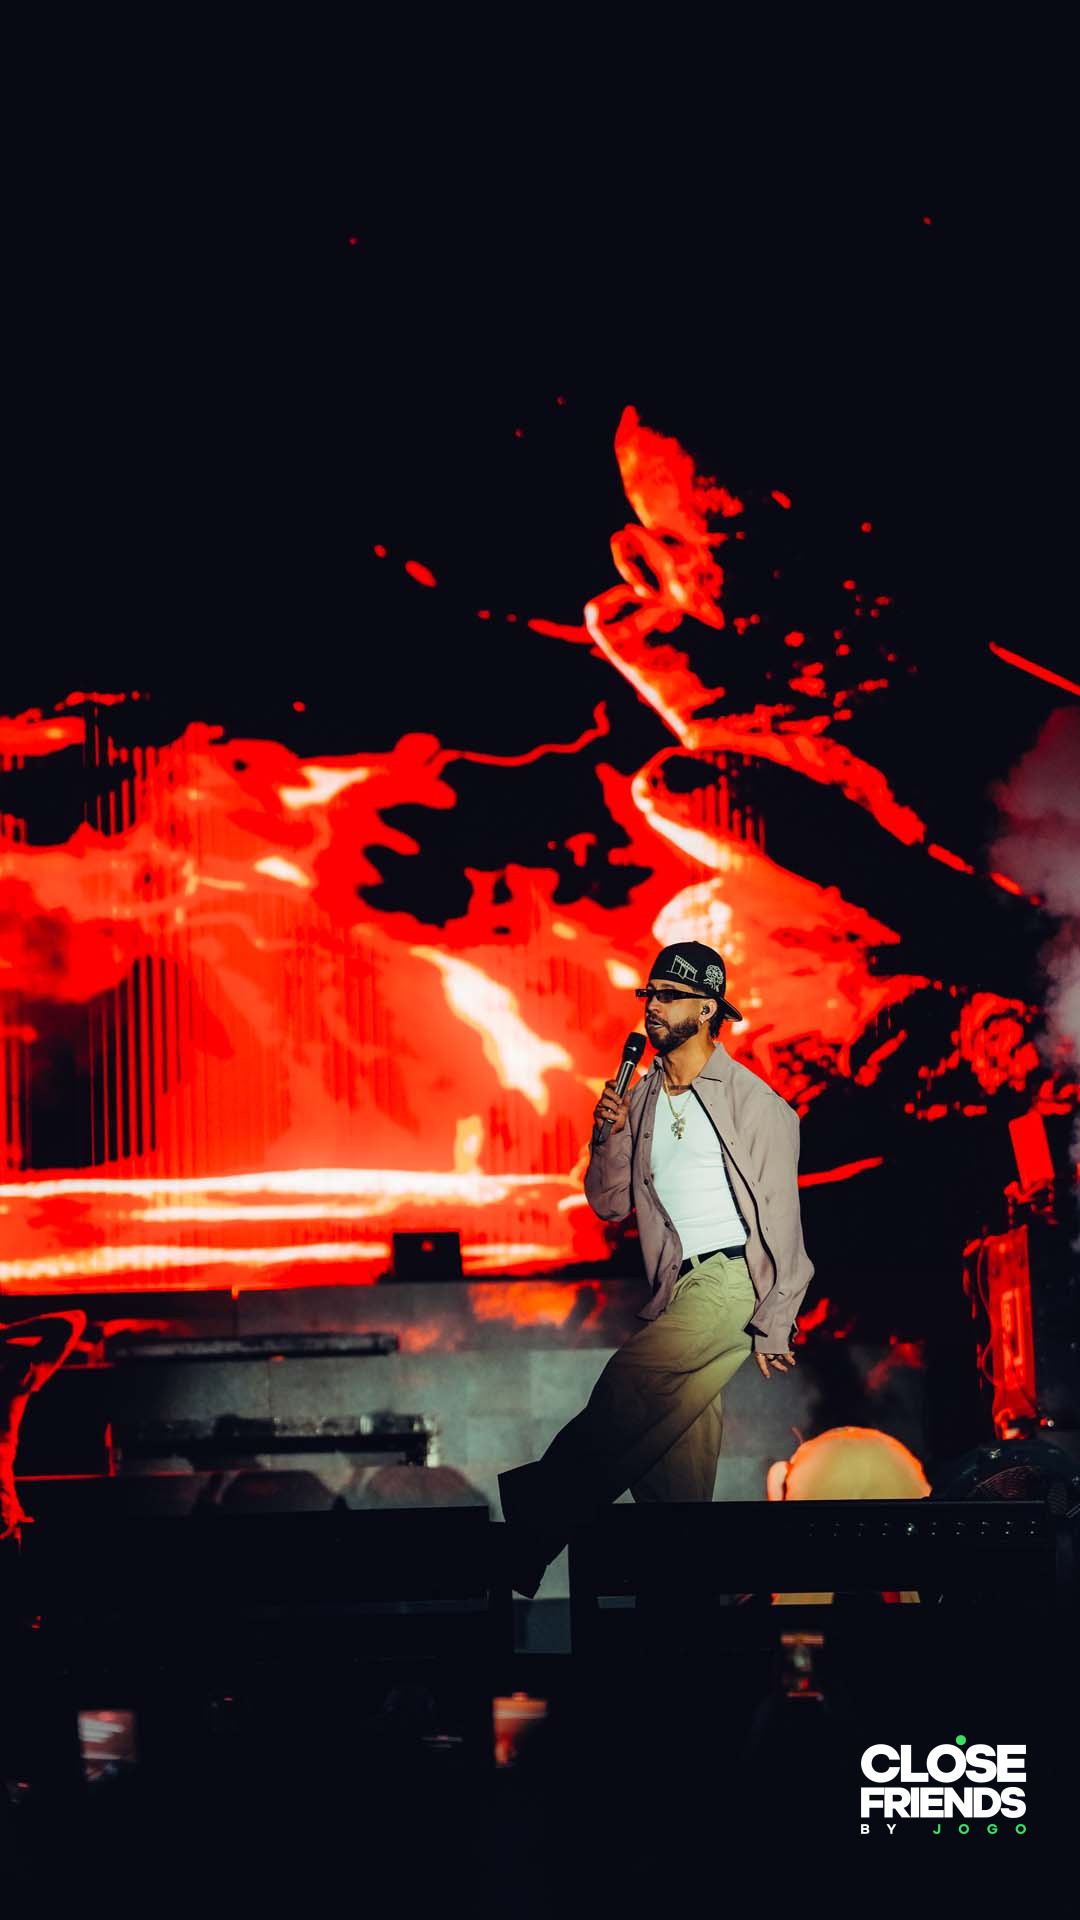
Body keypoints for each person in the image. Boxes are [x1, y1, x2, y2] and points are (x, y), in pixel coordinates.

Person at [499, 941, 813, 1596]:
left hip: (732, 1279)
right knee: (672, 1469)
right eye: (650, 995)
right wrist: (607, 1135)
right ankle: (684, 1610)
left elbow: (782, 1215)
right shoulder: (640, 1098)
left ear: (708, 1008)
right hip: (679, 1288)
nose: (654, 1007)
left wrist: (778, 1316)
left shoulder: (753, 1103)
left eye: (670, 996)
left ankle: (530, 1530)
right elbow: (610, 1204)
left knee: (629, 1384)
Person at [0, 1310, 87, 1546]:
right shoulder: (16, 1374)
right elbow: (72, 1321)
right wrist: (7, 1333)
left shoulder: (15, 1374)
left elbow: (72, 1320)